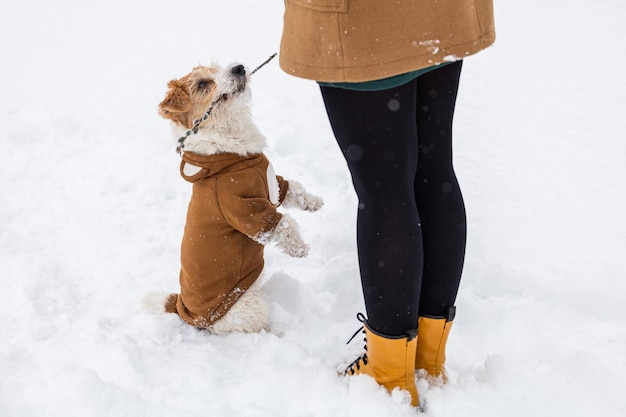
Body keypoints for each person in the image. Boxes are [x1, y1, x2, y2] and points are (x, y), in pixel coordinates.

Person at [279, 1, 495, 408]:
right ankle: (427, 361)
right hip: (438, 14)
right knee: (433, 172)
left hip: (365, 24)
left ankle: (392, 375)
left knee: (385, 193)